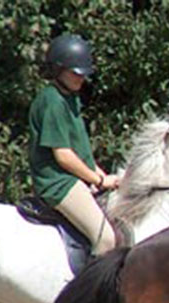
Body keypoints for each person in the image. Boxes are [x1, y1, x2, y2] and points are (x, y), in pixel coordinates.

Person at [29, 33, 120, 255]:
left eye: (83, 74)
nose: (81, 79)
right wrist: (99, 180)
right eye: (75, 73)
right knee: (106, 238)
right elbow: (64, 156)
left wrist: (101, 175)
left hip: (73, 178)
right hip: (58, 182)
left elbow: (80, 152)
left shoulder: (70, 99)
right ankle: (91, 280)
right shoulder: (52, 101)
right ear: (58, 69)